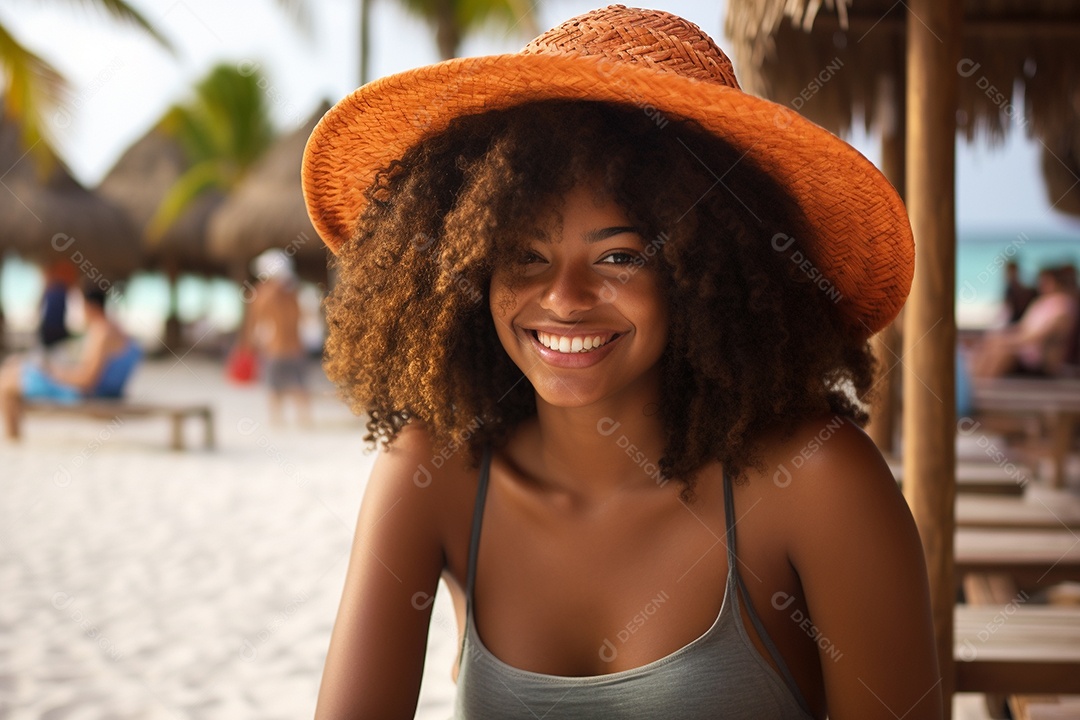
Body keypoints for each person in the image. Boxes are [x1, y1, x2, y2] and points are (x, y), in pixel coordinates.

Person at [303, 6, 941, 719]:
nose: (565, 297)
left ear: (712, 268)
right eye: (525, 254)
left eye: (619, 256)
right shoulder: (432, 474)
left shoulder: (819, 482)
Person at [1, 285, 142, 439]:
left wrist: (53, 372)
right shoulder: (116, 329)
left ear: (90, 306)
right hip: (102, 391)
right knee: (14, 370)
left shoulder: (101, 332)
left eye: (80, 306)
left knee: (7, 382)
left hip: (87, 394)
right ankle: (13, 437)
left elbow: (87, 381)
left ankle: (13, 438)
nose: (78, 311)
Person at [238, 249, 311, 426]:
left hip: (281, 349)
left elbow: (254, 321)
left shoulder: (266, 293)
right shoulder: (289, 293)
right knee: (288, 387)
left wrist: (248, 343)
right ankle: (289, 420)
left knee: (285, 387)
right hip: (287, 349)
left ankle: (288, 420)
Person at [971, 266, 1079, 378]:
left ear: (1054, 282)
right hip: (1026, 349)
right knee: (991, 346)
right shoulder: (1042, 303)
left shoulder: (1064, 306)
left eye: (1044, 281)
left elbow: (1038, 337)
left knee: (1002, 352)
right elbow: (1022, 327)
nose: (1040, 284)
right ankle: (974, 385)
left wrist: (1007, 342)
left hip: (1041, 359)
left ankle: (983, 387)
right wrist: (1000, 336)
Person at [1003, 260, 1036, 325]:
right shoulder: (1010, 290)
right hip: (1017, 322)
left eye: (1011, 271)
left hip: (1021, 322)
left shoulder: (1028, 291)